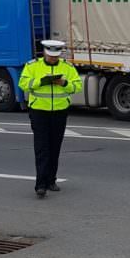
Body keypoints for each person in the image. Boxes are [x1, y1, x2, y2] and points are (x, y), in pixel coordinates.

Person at [18, 40, 83, 197]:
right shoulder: (32, 66)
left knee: (55, 147)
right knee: (42, 148)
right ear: (45, 52)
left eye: (56, 56)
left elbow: (77, 86)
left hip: (59, 112)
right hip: (39, 112)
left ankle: (51, 180)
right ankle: (40, 185)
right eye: (50, 55)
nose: (53, 58)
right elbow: (23, 83)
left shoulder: (67, 67)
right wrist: (41, 81)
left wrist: (64, 83)